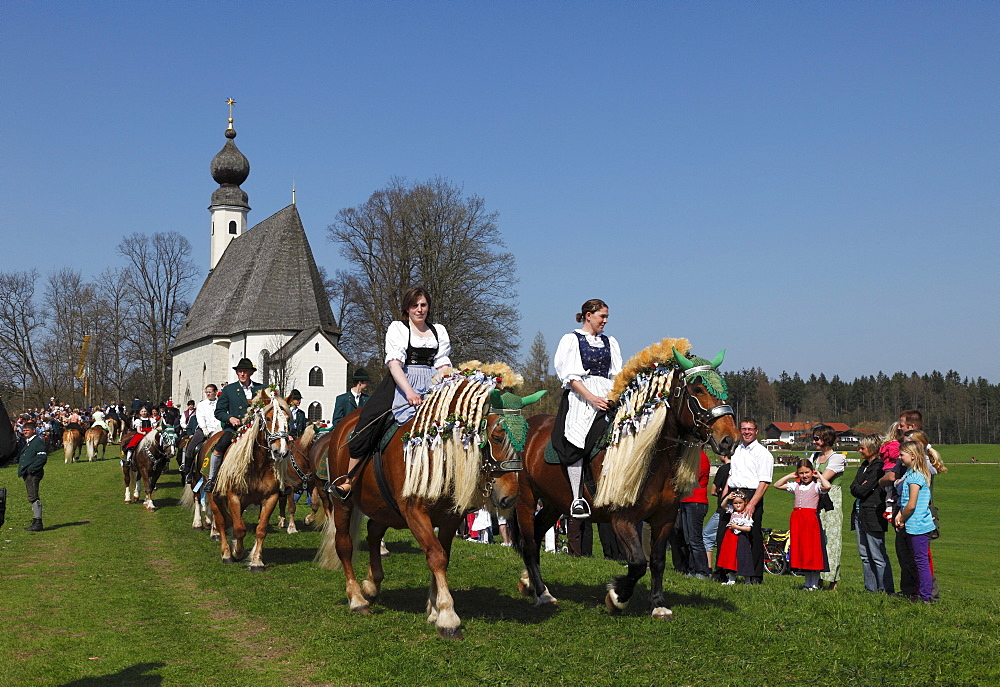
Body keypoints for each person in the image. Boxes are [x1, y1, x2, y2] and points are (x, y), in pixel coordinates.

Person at [341, 288, 452, 499]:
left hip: (432, 384)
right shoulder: (398, 328)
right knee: (369, 420)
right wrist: (409, 392)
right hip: (401, 381)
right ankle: (349, 478)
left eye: (423, 305)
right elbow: (394, 364)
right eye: (414, 305)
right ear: (407, 308)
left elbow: (443, 365)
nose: (419, 310)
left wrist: (449, 386)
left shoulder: (438, 331)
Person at [552, 298, 622, 519]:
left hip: (608, 393)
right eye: (603, 316)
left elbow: (616, 374)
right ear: (588, 315)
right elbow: (569, 377)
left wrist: (613, 397)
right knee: (577, 437)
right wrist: (592, 398)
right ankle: (577, 498)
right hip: (581, 394)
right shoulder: (571, 339)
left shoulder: (610, 342)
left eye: (606, 316)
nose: (605, 321)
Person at [717, 418, 772, 583]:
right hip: (734, 493)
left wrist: (752, 504)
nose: (746, 432)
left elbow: (764, 482)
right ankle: (723, 572)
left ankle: (755, 576)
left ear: (756, 430)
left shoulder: (763, 454)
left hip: (751, 495)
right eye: (744, 429)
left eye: (750, 429)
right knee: (725, 534)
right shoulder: (737, 450)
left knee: (753, 536)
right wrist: (725, 496)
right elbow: (732, 475)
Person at [205, 359, 266, 493]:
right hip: (235, 429)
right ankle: (212, 478)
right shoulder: (229, 390)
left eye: (245, 371)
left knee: (277, 446)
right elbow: (219, 411)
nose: (242, 374)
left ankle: (281, 481)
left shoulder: (261, 389)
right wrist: (230, 418)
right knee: (219, 446)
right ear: (237, 373)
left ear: (251, 373)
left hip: (257, 430)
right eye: (240, 371)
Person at [772, 459, 832, 590]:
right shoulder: (796, 485)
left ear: (812, 472)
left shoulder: (816, 486)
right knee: (802, 549)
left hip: (810, 520)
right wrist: (789, 476)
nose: (804, 476)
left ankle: (814, 583)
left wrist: (819, 476)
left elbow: (827, 486)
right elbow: (776, 485)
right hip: (798, 519)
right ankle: (807, 583)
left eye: (807, 472)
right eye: (801, 473)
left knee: (812, 549)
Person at [850, 433, 894, 593]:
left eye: (862, 447)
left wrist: (860, 487)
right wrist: (859, 487)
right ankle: (871, 589)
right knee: (864, 555)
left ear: (872, 449)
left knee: (877, 554)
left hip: (874, 513)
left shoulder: (878, 467)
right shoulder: (864, 466)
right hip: (859, 513)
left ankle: (885, 588)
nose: (859, 450)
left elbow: (862, 490)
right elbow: (854, 487)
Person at [894, 441, 935, 603]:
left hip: (918, 526)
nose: (899, 458)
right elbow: (905, 503)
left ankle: (925, 596)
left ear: (912, 455)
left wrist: (902, 517)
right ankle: (918, 593)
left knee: (920, 561)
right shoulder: (910, 474)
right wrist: (899, 515)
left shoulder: (916, 476)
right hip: (911, 524)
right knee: (915, 560)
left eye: (901, 455)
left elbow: (911, 504)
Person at [811, 424, 847, 590]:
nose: (814, 441)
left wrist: (809, 477)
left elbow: (823, 480)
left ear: (826, 439)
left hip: (831, 501)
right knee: (816, 540)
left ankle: (832, 581)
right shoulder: (814, 456)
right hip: (814, 500)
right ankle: (816, 578)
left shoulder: (837, 458)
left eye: (817, 438)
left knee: (831, 540)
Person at [672, 450, 712, 578]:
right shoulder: (690, 457)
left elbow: (692, 479)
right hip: (686, 500)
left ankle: (702, 570)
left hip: (696, 501)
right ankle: (692, 568)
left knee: (695, 539)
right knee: (688, 538)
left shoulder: (701, 458)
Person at [183, 384, 221, 481]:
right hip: (204, 429)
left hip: (218, 429)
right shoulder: (201, 404)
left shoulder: (221, 403)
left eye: (210, 392)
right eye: (207, 392)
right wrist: (204, 428)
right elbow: (200, 417)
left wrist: (219, 428)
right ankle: (188, 471)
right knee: (191, 446)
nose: (208, 394)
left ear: (215, 392)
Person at [716, 491, 753, 584]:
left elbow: (748, 528)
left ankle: (747, 579)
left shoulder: (746, 514)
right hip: (730, 537)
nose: (738, 505)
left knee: (742, 556)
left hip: (741, 538)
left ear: (745, 502)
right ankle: (731, 578)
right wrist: (727, 498)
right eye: (735, 503)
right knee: (730, 557)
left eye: (740, 503)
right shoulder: (733, 511)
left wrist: (737, 527)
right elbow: (723, 505)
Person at [17, 421, 48, 531]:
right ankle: (36, 520)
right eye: (24, 430)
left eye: (27, 430)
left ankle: (38, 521)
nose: (25, 432)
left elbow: (42, 458)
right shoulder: (28, 442)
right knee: (32, 496)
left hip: (33, 473)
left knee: (33, 496)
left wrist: (31, 470)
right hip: (28, 473)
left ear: (33, 430)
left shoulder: (37, 442)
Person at [703, 453, 731, 575]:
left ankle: (708, 567)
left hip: (722, 509)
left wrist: (719, 491)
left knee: (707, 536)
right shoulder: (738, 467)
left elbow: (713, 490)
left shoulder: (723, 469)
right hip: (735, 508)